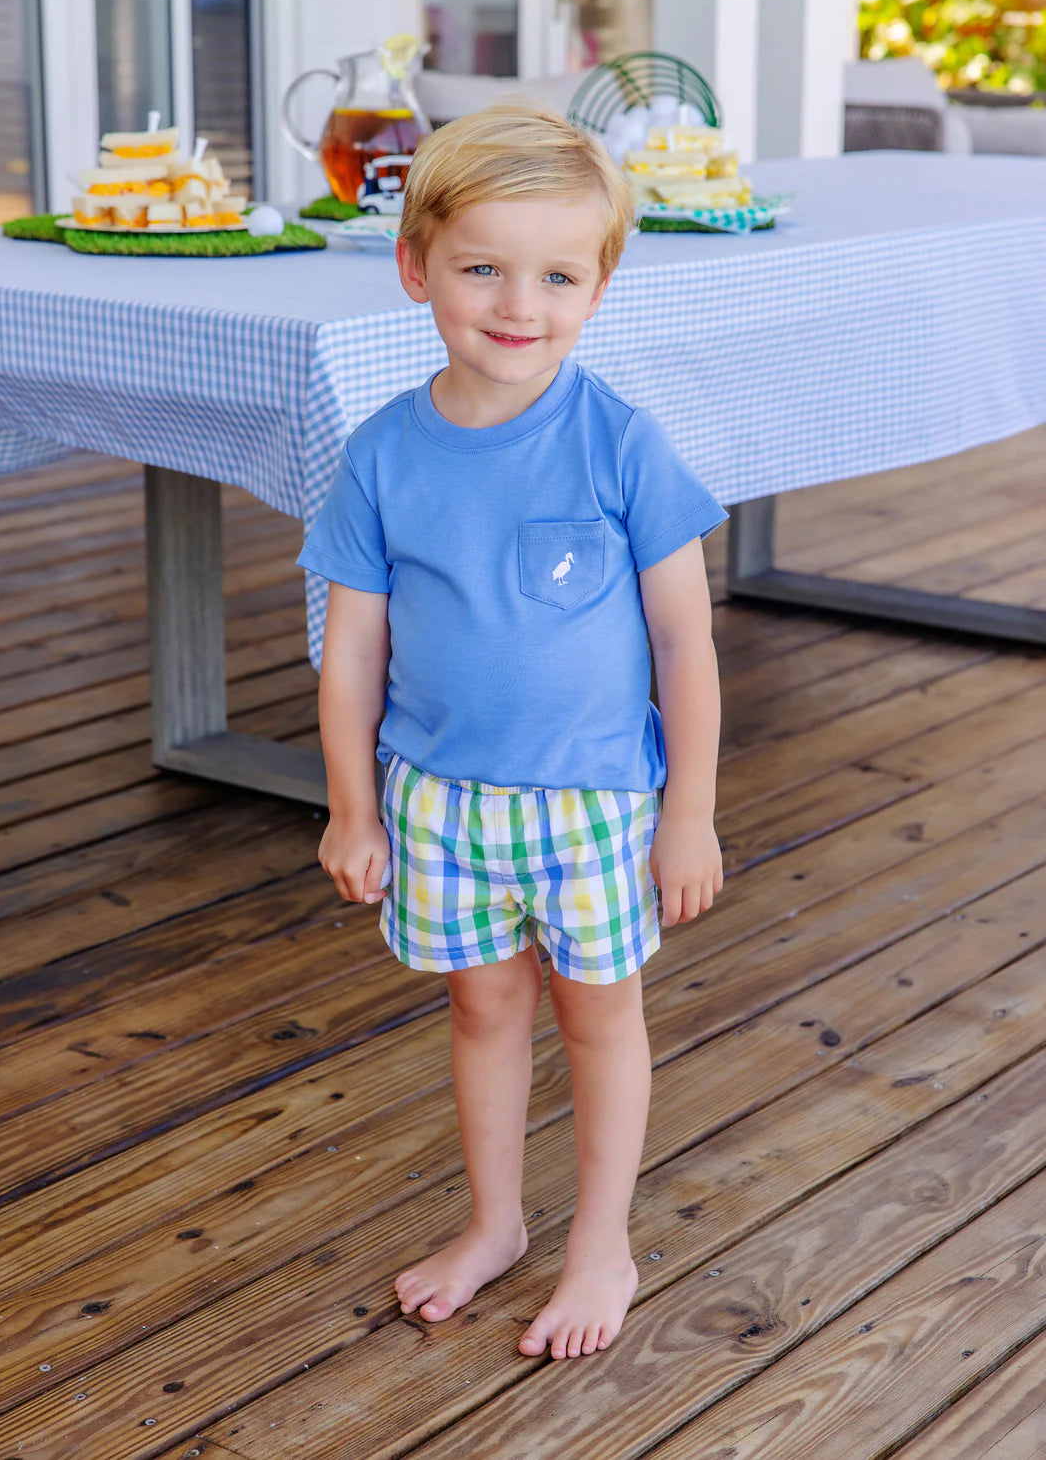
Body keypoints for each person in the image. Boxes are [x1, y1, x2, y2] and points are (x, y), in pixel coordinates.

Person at [298, 101, 727, 1361]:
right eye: (482, 265)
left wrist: (688, 810)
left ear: (600, 284)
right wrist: (350, 803)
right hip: (438, 796)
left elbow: (685, 645)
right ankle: (495, 1222)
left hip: (592, 800)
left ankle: (604, 1239)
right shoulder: (384, 455)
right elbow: (355, 647)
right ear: (416, 265)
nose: (515, 303)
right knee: (483, 1008)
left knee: (600, 1010)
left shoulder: (622, 444)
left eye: (555, 273)